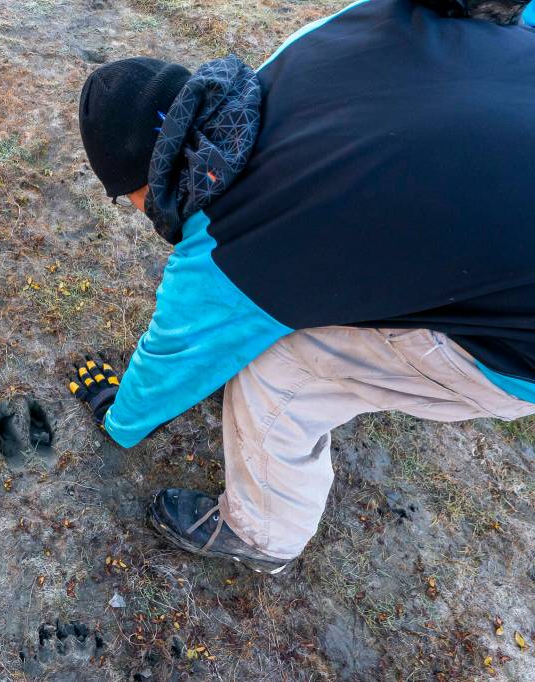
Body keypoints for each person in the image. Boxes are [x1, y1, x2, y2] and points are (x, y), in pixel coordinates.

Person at [70, 0, 535, 574]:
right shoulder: (309, 47)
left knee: (281, 368)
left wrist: (120, 417)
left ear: (145, 182)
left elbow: (176, 354)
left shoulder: (228, 246)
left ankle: (263, 534)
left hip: (521, 339)